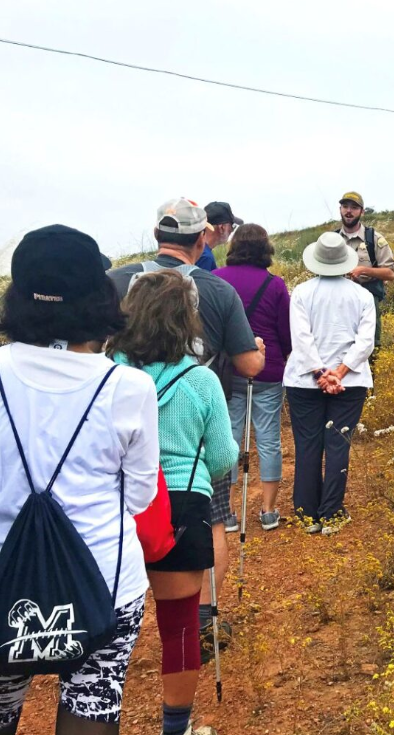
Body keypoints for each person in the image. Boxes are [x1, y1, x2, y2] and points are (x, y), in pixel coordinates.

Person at [0, 226, 160, 735]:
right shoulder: (127, 387)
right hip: (104, 589)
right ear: (98, 296)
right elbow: (139, 495)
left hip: (4, 586)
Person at [107, 198, 264, 653]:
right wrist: (257, 351)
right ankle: (203, 619)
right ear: (202, 240)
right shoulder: (218, 291)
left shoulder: (114, 281)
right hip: (193, 442)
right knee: (211, 521)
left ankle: (116, 618)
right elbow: (249, 365)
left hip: (120, 438)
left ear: (157, 235)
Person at [108, 269, 238, 735]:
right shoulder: (201, 380)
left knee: (104, 625)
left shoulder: (109, 374)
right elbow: (223, 457)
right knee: (180, 625)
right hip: (181, 504)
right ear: (187, 319)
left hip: (115, 507)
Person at [284, 232, 375, 535]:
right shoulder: (362, 296)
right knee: (338, 444)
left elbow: (301, 338)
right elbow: (365, 342)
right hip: (351, 381)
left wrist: (319, 373)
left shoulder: (302, 292)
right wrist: (340, 372)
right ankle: (332, 512)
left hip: (304, 381)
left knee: (308, 444)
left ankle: (307, 513)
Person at [214, 224, 292, 531]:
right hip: (268, 370)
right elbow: (285, 333)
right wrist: (284, 357)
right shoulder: (275, 284)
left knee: (230, 436)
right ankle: (268, 511)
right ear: (265, 249)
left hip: (229, 370)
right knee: (269, 437)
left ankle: (228, 511)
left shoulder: (217, 279)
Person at [337, 191, 394, 351]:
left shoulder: (374, 239)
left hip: (368, 302)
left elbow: (391, 273)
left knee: (369, 350)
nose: (349, 211)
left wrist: (364, 270)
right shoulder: (332, 240)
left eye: (354, 207)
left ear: (362, 212)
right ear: (340, 209)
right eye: (345, 206)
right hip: (338, 303)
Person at [197, 201, 244, 272]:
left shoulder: (197, 249)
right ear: (222, 228)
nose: (232, 231)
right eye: (232, 226)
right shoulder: (205, 258)